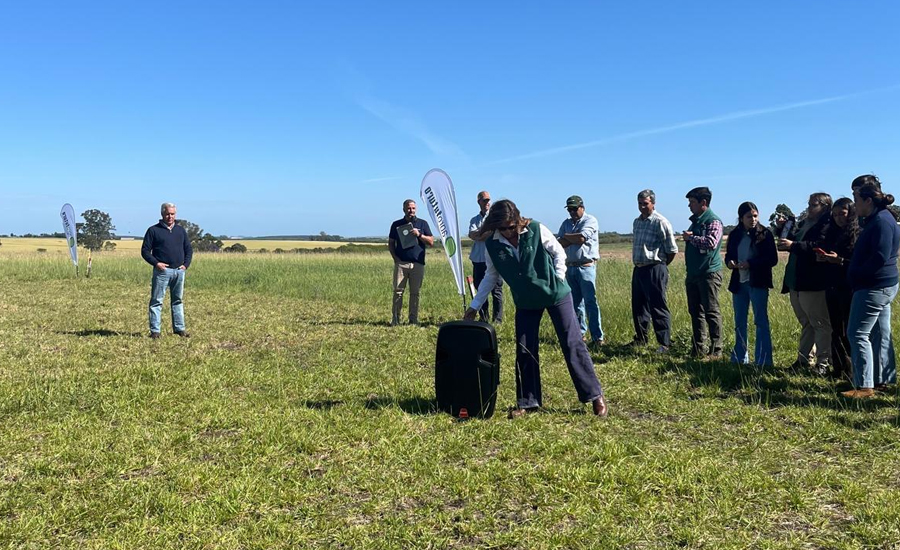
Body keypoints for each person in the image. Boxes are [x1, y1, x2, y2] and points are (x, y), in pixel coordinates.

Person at [463, 199, 608, 418]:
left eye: (511, 227)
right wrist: (474, 307)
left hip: (556, 294)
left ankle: (594, 396)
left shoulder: (536, 229)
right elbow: (491, 276)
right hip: (526, 300)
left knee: (572, 342)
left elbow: (559, 253)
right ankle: (528, 402)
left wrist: (558, 279)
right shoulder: (492, 244)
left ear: (518, 221)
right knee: (525, 348)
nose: (508, 232)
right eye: (502, 229)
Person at [842, 183, 899, 398]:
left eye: (856, 199)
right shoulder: (881, 219)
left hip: (873, 286)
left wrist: (857, 275)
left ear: (868, 201)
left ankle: (864, 386)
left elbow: (880, 257)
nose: (855, 204)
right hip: (881, 285)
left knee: (857, 333)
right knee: (879, 332)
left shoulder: (881, 222)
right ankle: (882, 379)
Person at [778, 193, 833, 374]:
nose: (809, 208)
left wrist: (793, 245)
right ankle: (803, 360)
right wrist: (783, 230)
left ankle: (823, 364)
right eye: (809, 205)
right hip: (797, 280)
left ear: (824, 207)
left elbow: (817, 245)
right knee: (807, 322)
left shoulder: (826, 225)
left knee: (820, 323)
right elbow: (796, 239)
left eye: (813, 205)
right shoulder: (806, 223)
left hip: (812, 281)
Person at [724, 202, 778, 367]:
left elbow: (772, 259)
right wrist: (730, 263)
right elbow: (728, 256)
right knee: (740, 321)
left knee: (760, 321)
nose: (753, 219)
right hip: (739, 283)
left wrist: (751, 263)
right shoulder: (735, 235)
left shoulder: (765, 234)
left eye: (755, 216)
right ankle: (740, 357)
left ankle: (763, 360)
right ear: (741, 218)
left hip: (758, 282)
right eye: (749, 216)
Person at [816, 198, 859, 380]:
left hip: (849, 286)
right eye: (834, 215)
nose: (838, 218)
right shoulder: (831, 233)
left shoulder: (858, 234)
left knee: (849, 330)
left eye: (842, 213)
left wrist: (840, 260)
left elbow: (857, 264)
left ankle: (853, 371)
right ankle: (838, 368)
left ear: (850, 213)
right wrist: (823, 258)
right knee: (836, 329)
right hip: (831, 284)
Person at [630, 189, 678, 353]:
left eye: (646, 203)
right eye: (640, 204)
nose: (642, 207)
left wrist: (661, 266)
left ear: (653, 203)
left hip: (655, 267)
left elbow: (672, 249)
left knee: (658, 305)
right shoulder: (637, 222)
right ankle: (641, 339)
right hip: (639, 268)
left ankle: (664, 343)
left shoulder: (660, 222)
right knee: (639, 306)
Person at [682, 187, 724, 359]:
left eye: (692, 202)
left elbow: (711, 242)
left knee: (711, 311)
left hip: (708, 273)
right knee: (695, 312)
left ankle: (717, 350)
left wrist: (691, 238)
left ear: (703, 203)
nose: (689, 206)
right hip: (694, 274)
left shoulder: (713, 221)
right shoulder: (697, 221)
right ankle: (699, 348)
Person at [141, 202, 193, 339]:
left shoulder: (180, 230)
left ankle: (179, 329)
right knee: (157, 301)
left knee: (177, 300)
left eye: (172, 214)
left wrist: (186, 265)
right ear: (162, 214)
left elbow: (188, 249)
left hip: (179, 271)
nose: (170, 217)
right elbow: (145, 251)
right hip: (162, 272)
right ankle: (155, 331)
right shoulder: (153, 230)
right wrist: (156, 263)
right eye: (167, 214)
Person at [557, 195, 604, 346]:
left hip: (586, 266)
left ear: (582, 207)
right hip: (570, 266)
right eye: (569, 209)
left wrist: (567, 237)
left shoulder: (590, 220)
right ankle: (579, 335)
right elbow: (560, 243)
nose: (572, 212)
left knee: (590, 302)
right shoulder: (566, 223)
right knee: (575, 303)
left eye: (574, 209)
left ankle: (597, 337)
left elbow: (581, 238)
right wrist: (570, 238)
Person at [388, 199, 434, 326]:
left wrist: (419, 235)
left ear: (416, 209)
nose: (411, 211)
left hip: (417, 264)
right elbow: (391, 243)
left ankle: (413, 320)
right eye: (408, 208)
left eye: (413, 208)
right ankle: (396, 319)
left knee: (415, 293)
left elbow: (431, 242)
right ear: (403, 209)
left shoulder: (423, 223)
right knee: (398, 291)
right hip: (401, 263)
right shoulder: (396, 224)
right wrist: (395, 258)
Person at [468, 190, 503, 323]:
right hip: (478, 259)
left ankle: (497, 320)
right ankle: (484, 317)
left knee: (497, 290)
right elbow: (473, 235)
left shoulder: (495, 218)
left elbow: (485, 235)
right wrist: (485, 233)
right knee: (480, 288)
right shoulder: (474, 219)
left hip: (494, 259)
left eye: (488, 200)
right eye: (484, 200)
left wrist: (481, 234)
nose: (487, 203)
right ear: (479, 202)